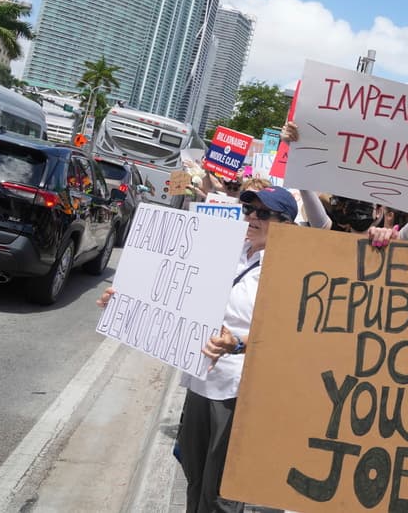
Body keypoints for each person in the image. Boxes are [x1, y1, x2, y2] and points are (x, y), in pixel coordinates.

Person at [97, 184, 299, 513]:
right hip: (200, 379)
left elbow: (286, 333)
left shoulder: (288, 270)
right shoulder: (225, 250)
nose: (252, 217)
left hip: (237, 390)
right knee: (194, 472)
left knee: (220, 491)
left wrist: (237, 344)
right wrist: (124, 301)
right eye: (249, 209)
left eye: (264, 213)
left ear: (286, 224)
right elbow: (172, 287)